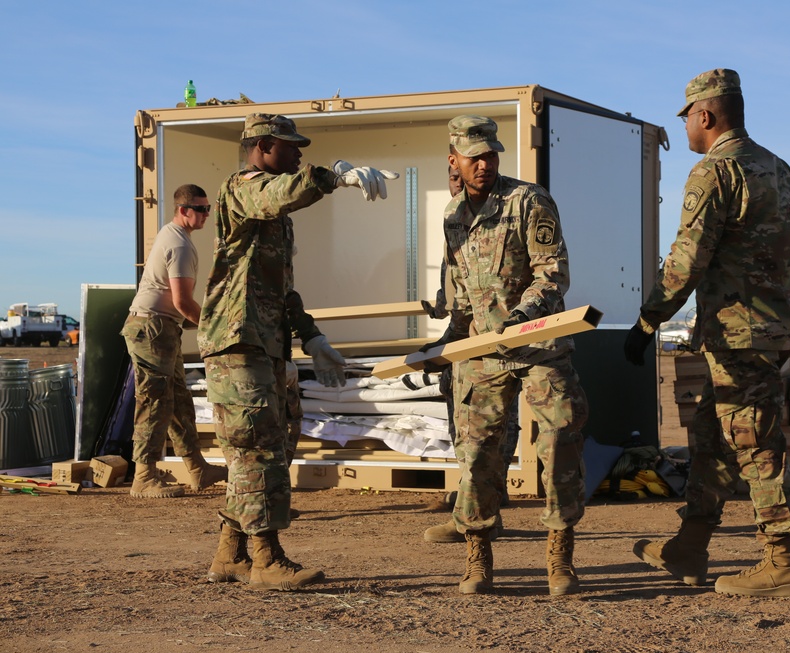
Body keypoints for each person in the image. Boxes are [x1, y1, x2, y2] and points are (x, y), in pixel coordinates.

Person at [624, 69, 790, 598]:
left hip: (738, 334)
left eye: (686, 119)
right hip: (768, 329)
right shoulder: (781, 170)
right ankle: (690, 544)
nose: (685, 128)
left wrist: (648, 320)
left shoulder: (714, 173)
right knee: (710, 438)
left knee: (754, 443)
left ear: (705, 116)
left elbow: (687, 259)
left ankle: (784, 562)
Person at [198, 113, 397, 591]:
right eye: (291, 146)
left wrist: (312, 338)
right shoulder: (243, 190)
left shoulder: (277, 222)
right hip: (237, 343)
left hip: (266, 347)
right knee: (256, 448)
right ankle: (267, 559)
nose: (299, 153)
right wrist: (333, 177)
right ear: (263, 147)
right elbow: (277, 194)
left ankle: (230, 553)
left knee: (273, 444)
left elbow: (283, 293)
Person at [427, 115, 588, 595]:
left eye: (491, 154)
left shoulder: (528, 201)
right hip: (482, 353)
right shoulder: (453, 215)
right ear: (454, 160)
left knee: (559, 444)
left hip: (539, 345)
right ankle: (479, 557)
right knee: (478, 456)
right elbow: (457, 292)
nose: (484, 163)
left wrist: (524, 315)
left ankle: (560, 559)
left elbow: (552, 273)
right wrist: (446, 348)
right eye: (474, 156)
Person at [420, 165, 516, 544]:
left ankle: (488, 503)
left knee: (495, 423)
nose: (459, 186)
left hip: (500, 336)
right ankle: (470, 501)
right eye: (454, 179)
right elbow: (457, 292)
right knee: (461, 418)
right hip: (465, 334)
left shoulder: (501, 216)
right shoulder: (453, 221)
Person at [121, 184, 228, 498]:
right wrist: (213, 329)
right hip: (153, 329)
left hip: (161, 329)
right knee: (155, 401)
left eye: (209, 209)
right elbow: (183, 302)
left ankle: (197, 469)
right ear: (184, 209)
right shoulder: (179, 245)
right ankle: (143, 477)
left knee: (178, 400)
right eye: (202, 209)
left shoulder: (177, 238)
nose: (207, 215)